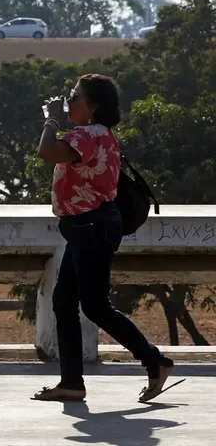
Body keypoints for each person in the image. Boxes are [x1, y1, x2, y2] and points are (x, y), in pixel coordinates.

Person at [32, 74, 174, 403]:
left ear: (93, 105)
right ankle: (71, 383)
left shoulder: (88, 135)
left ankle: (155, 361)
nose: (69, 101)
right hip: (87, 227)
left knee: (94, 306)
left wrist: (51, 118)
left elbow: (46, 152)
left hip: (91, 227)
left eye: (75, 97)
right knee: (65, 302)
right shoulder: (100, 134)